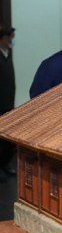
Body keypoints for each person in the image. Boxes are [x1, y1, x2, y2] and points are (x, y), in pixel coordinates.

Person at [0, 25, 16, 180]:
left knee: (7, 142)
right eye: (11, 37)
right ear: (4, 38)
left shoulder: (7, 54)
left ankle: (4, 165)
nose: (12, 40)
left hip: (8, 104)